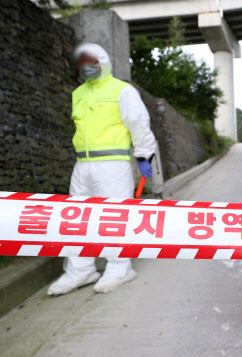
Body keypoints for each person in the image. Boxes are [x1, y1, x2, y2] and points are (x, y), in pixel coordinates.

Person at [48, 43, 156, 296]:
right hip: (82, 165)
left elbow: (139, 124)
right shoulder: (78, 94)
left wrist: (143, 156)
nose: (86, 67)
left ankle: (119, 268)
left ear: (102, 62)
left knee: (114, 218)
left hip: (112, 164)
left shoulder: (122, 90)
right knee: (75, 219)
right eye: (81, 62)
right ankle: (80, 270)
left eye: (91, 62)